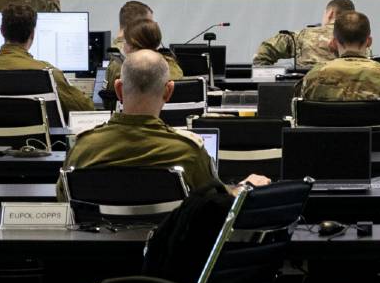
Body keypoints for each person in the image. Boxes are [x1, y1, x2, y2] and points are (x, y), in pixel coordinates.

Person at [61, 50, 268, 197]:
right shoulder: (187, 152)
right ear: (169, 91)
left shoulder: (83, 149)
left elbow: (64, 198)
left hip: (99, 256)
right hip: (167, 256)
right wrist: (244, 187)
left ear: (118, 90)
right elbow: (216, 206)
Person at [297, 10, 380, 148]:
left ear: (333, 42)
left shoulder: (311, 78)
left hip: (321, 164)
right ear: (369, 41)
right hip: (376, 164)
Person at [0, 4, 93, 114]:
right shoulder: (49, 73)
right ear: (32, 34)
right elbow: (86, 108)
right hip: (38, 136)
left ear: (2, 31)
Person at [252, 0, 359, 68]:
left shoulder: (304, 35)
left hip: (306, 98)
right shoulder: (360, 41)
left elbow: (265, 50)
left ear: (330, 13)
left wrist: (268, 81)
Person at [108, 18, 186, 90]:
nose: (123, 45)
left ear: (132, 45)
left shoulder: (119, 68)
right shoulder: (174, 67)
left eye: (125, 41)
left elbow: (108, 100)